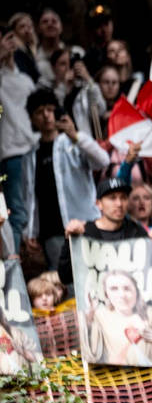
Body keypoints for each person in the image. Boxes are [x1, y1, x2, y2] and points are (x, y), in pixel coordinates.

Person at [19, 89, 110, 271]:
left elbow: (103, 160)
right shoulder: (30, 157)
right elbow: (30, 198)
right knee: (62, 280)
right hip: (52, 231)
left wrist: (76, 136)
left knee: (95, 275)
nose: (46, 115)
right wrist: (30, 231)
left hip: (86, 224)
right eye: (40, 112)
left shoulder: (73, 143)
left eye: (50, 109)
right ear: (32, 119)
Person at [58, 174, 152, 288]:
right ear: (99, 204)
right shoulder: (85, 232)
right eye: (112, 198)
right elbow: (65, 277)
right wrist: (70, 241)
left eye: (123, 198)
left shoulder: (136, 231)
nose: (119, 204)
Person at [84, 268, 152, 366]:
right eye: (114, 289)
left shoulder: (151, 314)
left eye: (127, 288)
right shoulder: (100, 316)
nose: (122, 295)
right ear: (106, 294)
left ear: (136, 291)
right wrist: (89, 317)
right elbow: (89, 351)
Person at [0, 25, 38, 247]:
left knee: (32, 210)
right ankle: (14, 262)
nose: (7, 44)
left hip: (32, 147)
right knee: (16, 212)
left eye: (9, 39)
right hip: (10, 153)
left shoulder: (25, 79)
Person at [7, 13, 39, 82]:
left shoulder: (29, 49)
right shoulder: (13, 51)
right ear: (13, 31)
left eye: (30, 27)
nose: (27, 30)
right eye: (22, 26)